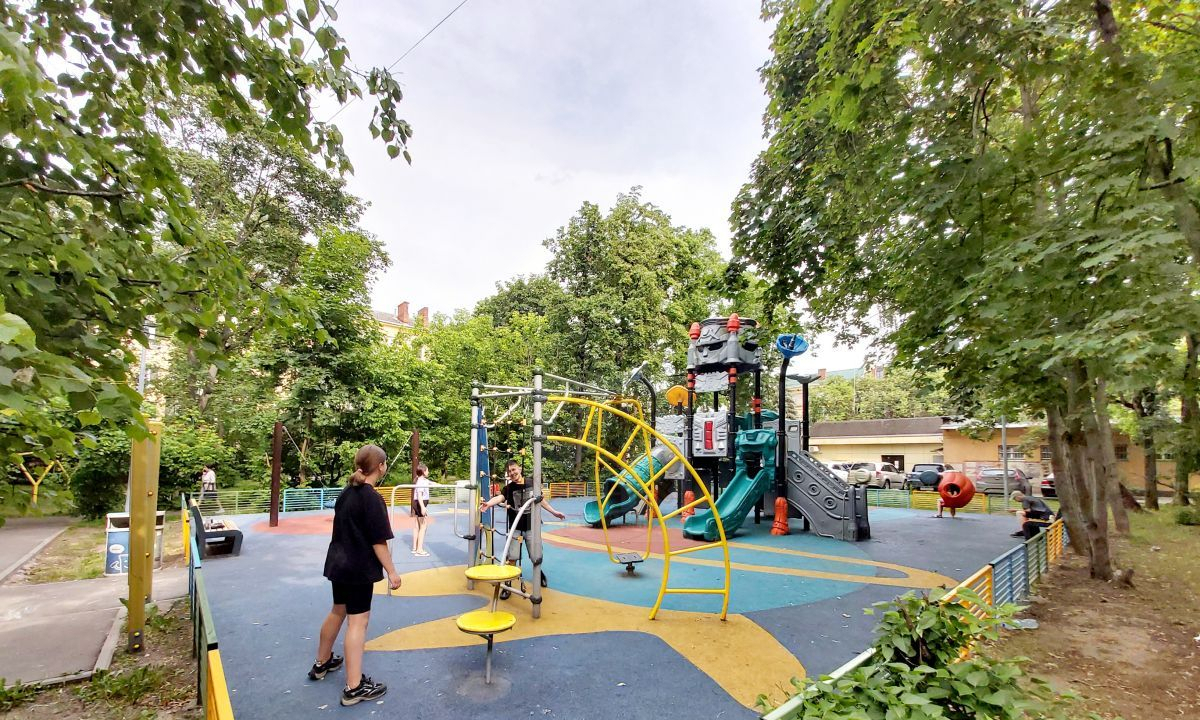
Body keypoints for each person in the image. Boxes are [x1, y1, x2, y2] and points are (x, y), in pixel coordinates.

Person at [309, 444, 402, 707]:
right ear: (381, 467)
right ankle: (354, 687)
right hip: (358, 567)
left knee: (338, 610)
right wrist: (392, 572)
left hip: (338, 564)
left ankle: (322, 662)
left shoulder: (346, 492)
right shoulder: (372, 498)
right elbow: (378, 541)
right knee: (358, 622)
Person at [479, 459, 566, 596]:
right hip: (516, 527)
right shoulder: (509, 488)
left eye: (514, 469)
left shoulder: (531, 483)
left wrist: (554, 512)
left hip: (531, 526)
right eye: (509, 471)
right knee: (512, 557)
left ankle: (539, 574)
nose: (512, 473)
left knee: (535, 556)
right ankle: (508, 585)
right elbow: (500, 498)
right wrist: (489, 504)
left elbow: (540, 500)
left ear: (519, 469)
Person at [411, 462, 432, 556]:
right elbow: (419, 495)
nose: (428, 472)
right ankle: (419, 549)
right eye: (427, 470)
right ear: (423, 472)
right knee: (423, 526)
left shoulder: (422, 480)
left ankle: (415, 547)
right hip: (420, 503)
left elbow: (431, 483)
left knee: (417, 525)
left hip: (417, 503)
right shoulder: (421, 482)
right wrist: (423, 507)